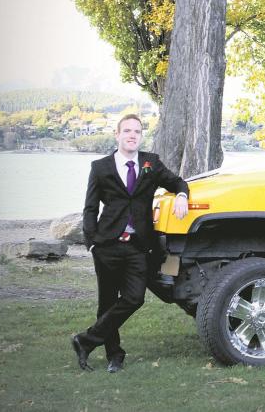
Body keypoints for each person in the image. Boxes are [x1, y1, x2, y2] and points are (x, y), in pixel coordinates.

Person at [72, 114, 190, 372]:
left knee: (135, 298)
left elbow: (176, 181)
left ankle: (85, 340)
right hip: (107, 245)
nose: (132, 135)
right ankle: (115, 356)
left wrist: (181, 194)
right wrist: (91, 242)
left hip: (138, 246)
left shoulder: (151, 163)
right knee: (106, 303)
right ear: (117, 135)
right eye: (127, 130)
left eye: (137, 131)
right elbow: (90, 208)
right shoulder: (100, 167)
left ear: (140, 135)